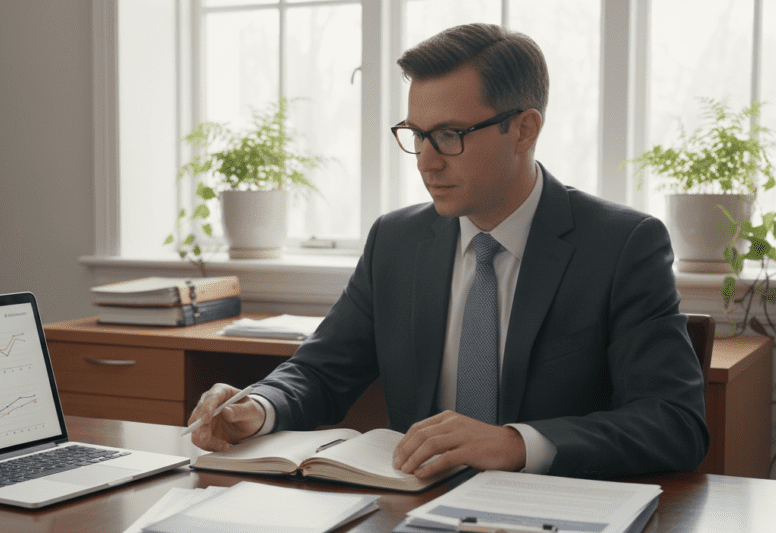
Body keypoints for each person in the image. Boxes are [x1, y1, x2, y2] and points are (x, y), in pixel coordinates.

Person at [188, 23, 709, 480]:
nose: (425, 162)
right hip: (407, 512)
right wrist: (258, 406)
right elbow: (323, 370)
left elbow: (674, 423)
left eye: (450, 135)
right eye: (417, 135)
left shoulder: (622, 246)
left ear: (524, 130)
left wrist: (514, 443)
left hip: (553, 522)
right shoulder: (395, 241)